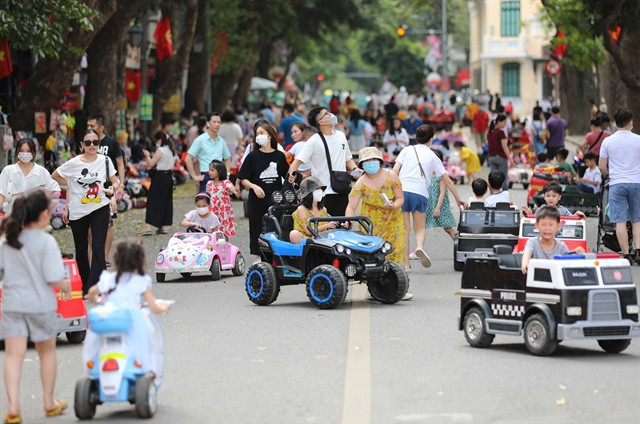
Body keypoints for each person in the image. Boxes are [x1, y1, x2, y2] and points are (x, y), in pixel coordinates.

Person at [0, 191, 71, 423]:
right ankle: (49, 402)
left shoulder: (7, 240)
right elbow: (53, 277)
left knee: (13, 355)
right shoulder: (46, 241)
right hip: (41, 305)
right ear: (43, 214)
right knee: (47, 352)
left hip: (13, 305)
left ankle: (12, 407)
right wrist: (66, 286)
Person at [83, 238, 172, 379]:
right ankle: (149, 370)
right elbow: (154, 307)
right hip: (131, 321)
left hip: (108, 318)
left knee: (100, 342)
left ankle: (96, 368)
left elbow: (92, 292)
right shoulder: (141, 282)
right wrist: (164, 306)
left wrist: (98, 301)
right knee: (148, 341)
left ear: (117, 259)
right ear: (140, 261)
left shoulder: (108, 279)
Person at [52, 129, 118, 294]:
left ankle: (98, 285)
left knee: (97, 246)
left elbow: (115, 181)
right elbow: (55, 175)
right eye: (87, 142)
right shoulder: (74, 163)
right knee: (81, 249)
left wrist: (113, 189)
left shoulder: (106, 161)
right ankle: (83, 285)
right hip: (78, 210)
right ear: (81, 144)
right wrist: (71, 183)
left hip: (100, 206)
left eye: (95, 142)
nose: (91, 145)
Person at [393, 124, 466, 270]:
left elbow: (394, 171)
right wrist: (458, 199)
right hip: (420, 193)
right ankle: (419, 246)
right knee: (420, 227)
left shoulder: (406, 150)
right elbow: (447, 180)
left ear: (416, 137)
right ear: (431, 139)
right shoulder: (433, 156)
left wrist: (392, 191)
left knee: (405, 229)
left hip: (403, 192)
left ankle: (406, 265)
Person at [345, 147, 411, 299]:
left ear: (379, 161)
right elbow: (351, 206)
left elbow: (400, 198)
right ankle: (373, 288)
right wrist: (348, 219)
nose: (370, 163)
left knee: (394, 252)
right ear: (362, 164)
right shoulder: (360, 183)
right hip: (370, 225)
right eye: (367, 161)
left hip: (392, 221)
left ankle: (399, 288)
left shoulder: (391, 176)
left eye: (373, 159)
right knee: (372, 255)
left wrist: (394, 205)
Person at [288, 107, 357, 217]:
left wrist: (355, 170)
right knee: (325, 229)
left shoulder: (341, 136)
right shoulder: (314, 140)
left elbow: (348, 159)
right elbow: (296, 162)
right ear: (321, 122)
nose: (330, 114)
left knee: (342, 227)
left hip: (342, 190)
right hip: (323, 193)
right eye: (326, 114)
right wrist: (291, 175)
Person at [238, 122, 289, 256]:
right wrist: (254, 186)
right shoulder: (252, 156)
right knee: (257, 229)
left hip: (275, 200)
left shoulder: (279, 155)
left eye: (262, 133)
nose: (259, 136)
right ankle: (260, 256)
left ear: (270, 135)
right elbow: (243, 178)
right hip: (257, 201)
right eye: (257, 134)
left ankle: (275, 255)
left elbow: (287, 176)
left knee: (275, 228)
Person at [599, 108, 640, 265]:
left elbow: (602, 166)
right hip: (636, 182)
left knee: (620, 222)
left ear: (616, 123)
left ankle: (626, 256)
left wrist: (608, 174)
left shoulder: (608, 141)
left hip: (617, 183)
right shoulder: (638, 139)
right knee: (637, 220)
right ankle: (638, 251)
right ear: (630, 122)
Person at [87, 115, 126, 263]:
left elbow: (120, 164)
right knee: (89, 227)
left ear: (101, 127)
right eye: (88, 126)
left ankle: (104, 256)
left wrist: (121, 185)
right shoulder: (86, 141)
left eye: (92, 125)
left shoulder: (111, 143)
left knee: (108, 225)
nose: (89, 128)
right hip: (90, 189)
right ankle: (96, 252)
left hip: (108, 188)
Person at [0, 138, 60, 215]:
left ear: (33, 152)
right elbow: (1, 193)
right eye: (22, 151)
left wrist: (38, 199)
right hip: (12, 215)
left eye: (28, 151)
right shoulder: (8, 170)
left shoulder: (41, 171)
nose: (25, 154)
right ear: (17, 152)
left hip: (34, 217)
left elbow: (54, 187)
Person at [521, 207, 586, 274]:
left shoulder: (561, 246)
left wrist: (575, 252)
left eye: (551, 225)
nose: (547, 228)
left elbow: (567, 261)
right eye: (543, 224)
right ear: (537, 226)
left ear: (558, 226)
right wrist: (525, 263)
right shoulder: (532, 242)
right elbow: (527, 254)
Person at [140, 132, 176, 235]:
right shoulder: (171, 150)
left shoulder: (161, 150)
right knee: (166, 201)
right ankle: (163, 226)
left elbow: (151, 164)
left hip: (159, 177)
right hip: (169, 177)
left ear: (159, 139)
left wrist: (147, 155)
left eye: (156, 140)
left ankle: (148, 227)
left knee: (153, 200)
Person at [185, 112, 232, 193]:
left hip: (220, 178)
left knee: (219, 204)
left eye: (219, 122)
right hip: (206, 177)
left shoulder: (221, 141)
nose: (217, 124)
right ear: (208, 123)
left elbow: (227, 158)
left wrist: (227, 174)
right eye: (214, 122)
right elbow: (188, 158)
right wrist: (194, 176)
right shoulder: (200, 140)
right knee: (205, 204)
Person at [289, 177, 337, 244]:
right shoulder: (301, 209)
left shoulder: (323, 209)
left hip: (323, 240)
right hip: (305, 241)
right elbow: (308, 231)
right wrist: (327, 225)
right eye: (317, 189)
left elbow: (326, 230)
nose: (320, 191)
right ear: (309, 193)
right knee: (294, 234)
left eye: (320, 189)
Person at [426, 149, 457, 241]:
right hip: (431, 204)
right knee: (420, 227)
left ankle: (460, 244)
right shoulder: (428, 173)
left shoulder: (440, 174)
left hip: (441, 205)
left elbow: (442, 192)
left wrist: (438, 208)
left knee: (447, 228)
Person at [206, 159, 238, 236]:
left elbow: (231, 188)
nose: (210, 172)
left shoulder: (225, 183)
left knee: (223, 227)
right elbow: (207, 195)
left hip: (223, 211)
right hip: (212, 209)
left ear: (219, 171)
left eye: (212, 170)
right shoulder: (209, 183)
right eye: (209, 170)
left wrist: (235, 191)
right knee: (212, 227)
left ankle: (225, 243)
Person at [487, 114, 511, 191]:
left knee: (493, 179)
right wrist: (510, 159)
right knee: (503, 179)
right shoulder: (501, 133)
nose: (504, 125)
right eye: (504, 122)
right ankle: (504, 199)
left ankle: (492, 196)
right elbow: (504, 147)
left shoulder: (490, 133)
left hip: (491, 158)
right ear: (499, 122)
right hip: (501, 158)